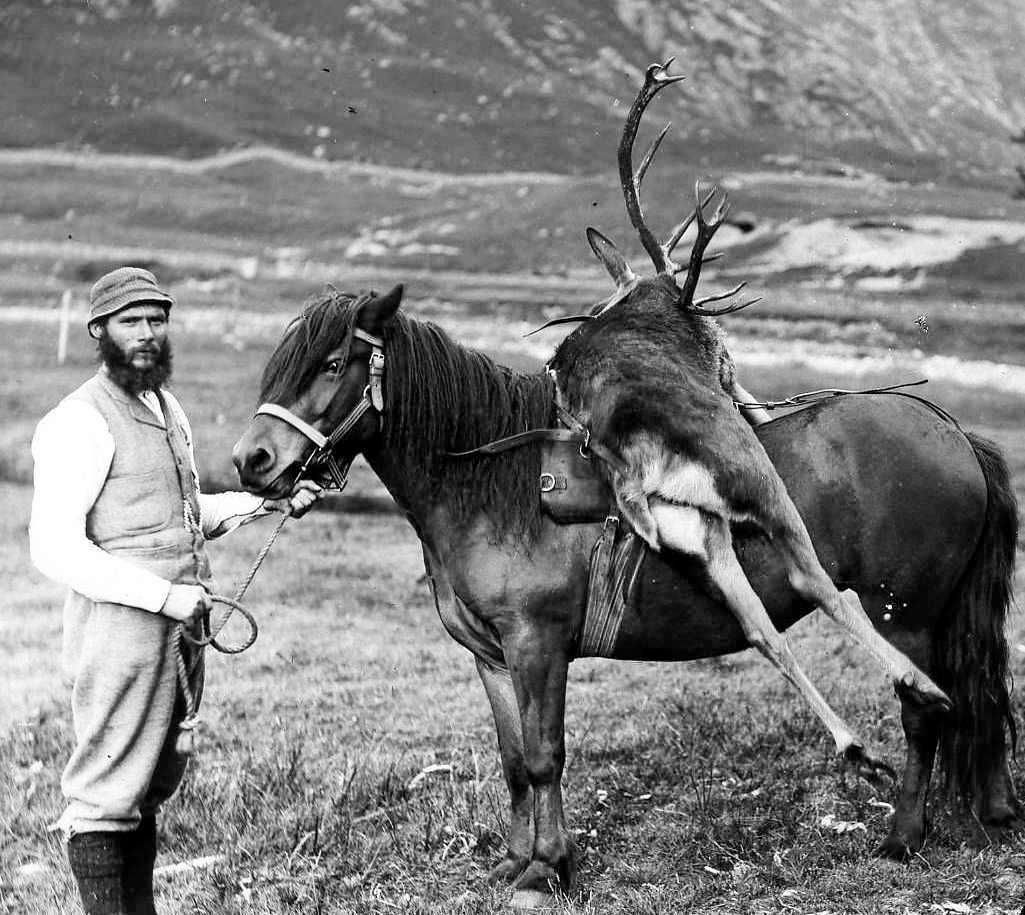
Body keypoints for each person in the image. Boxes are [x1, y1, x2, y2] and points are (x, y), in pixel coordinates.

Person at [29, 266, 322, 915]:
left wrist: (267, 503)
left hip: (184, 632)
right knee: (106, 790)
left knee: (149, 785)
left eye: (156, 319)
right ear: (98, 332)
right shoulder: (77, 421)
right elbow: (54, 547)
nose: (146, 333)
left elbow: (188, 513)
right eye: (131, 321)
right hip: (122, 633)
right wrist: (163, 599)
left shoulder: (167, 409)